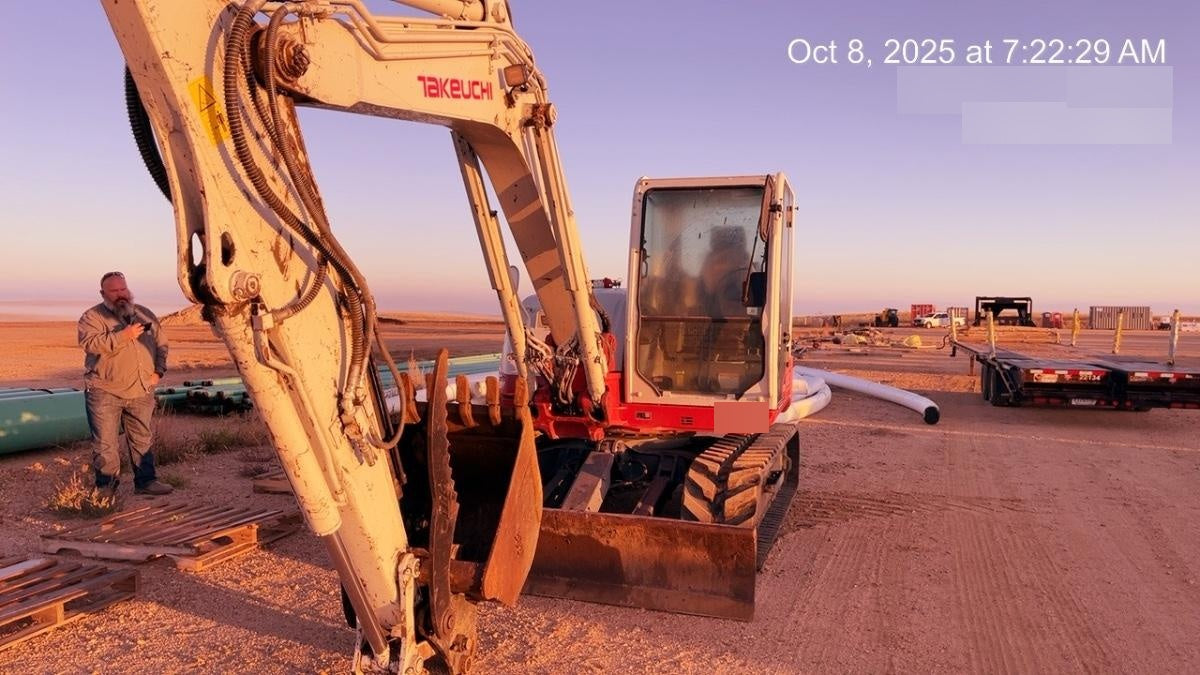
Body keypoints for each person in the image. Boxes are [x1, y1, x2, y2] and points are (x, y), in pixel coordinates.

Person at [78, 271, 174, 496]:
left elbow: (162, 344)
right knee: (105, 443)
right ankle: (106, 488)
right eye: (114, 291)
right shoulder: (91, 317)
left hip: (141, 388)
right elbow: (91, 344)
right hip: (105, 390)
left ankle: (147, 482)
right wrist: (124, 335)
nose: (120, 294)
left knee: (142, 437)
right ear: (103, 293)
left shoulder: (144, 313)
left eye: (123, 289)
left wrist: (158, 372)